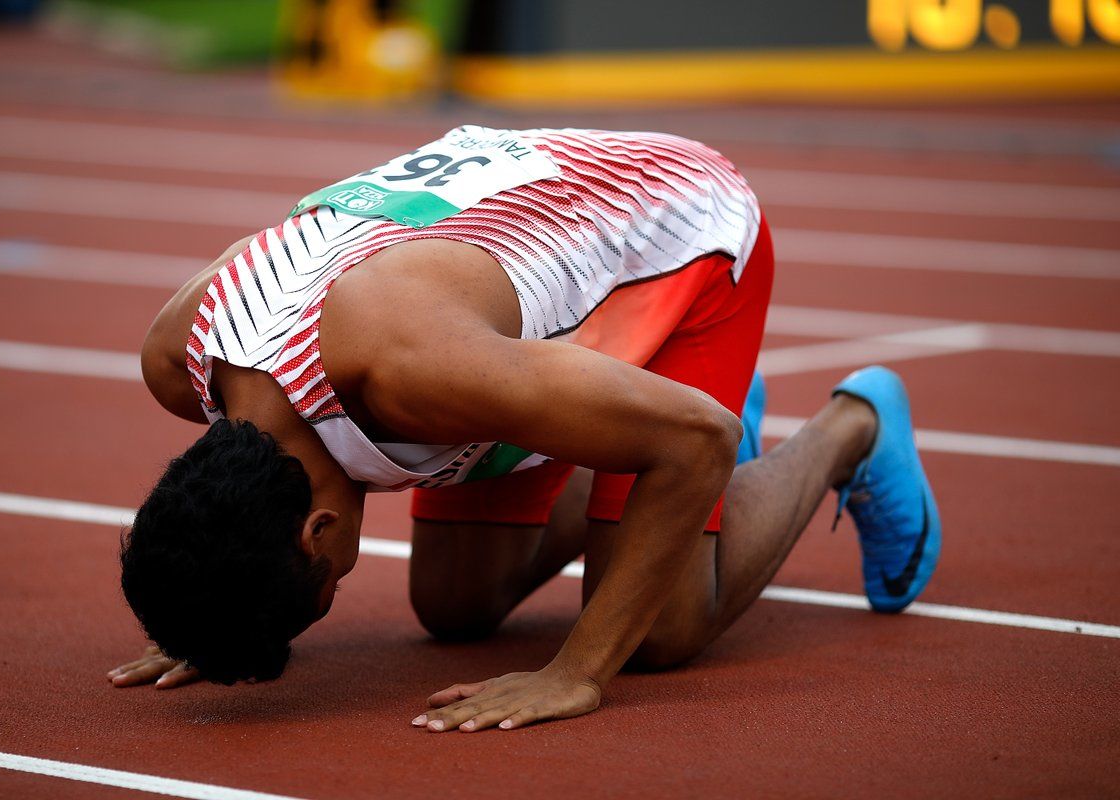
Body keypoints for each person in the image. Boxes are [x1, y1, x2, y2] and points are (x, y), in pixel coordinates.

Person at [108, 126, 941, 732]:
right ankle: (624, 419)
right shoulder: (179, 361)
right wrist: (208, 608)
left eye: (322, 590)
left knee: (656, 629)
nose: (333, 591)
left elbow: (699, 441)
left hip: (680, 233)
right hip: (499, 276)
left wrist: (576, 672)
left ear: (316, 529)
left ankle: (852, 427)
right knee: (454, 606)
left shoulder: (414, 371)